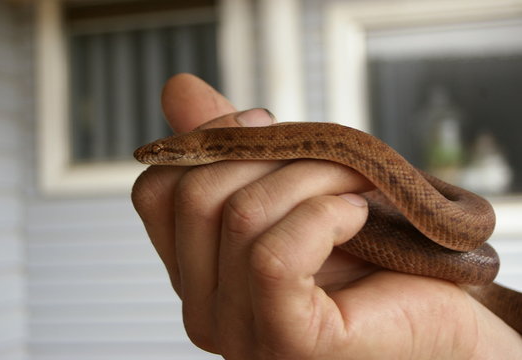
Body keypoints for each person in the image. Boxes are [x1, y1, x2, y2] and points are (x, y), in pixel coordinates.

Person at [131, 73, 522, 359]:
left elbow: (479, 261)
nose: (155, 157)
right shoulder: (225, 146)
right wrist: (465, 342)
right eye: (161, 154)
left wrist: (466, 342)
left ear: (193, 149)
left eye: (164, 153)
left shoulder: (226, 143)